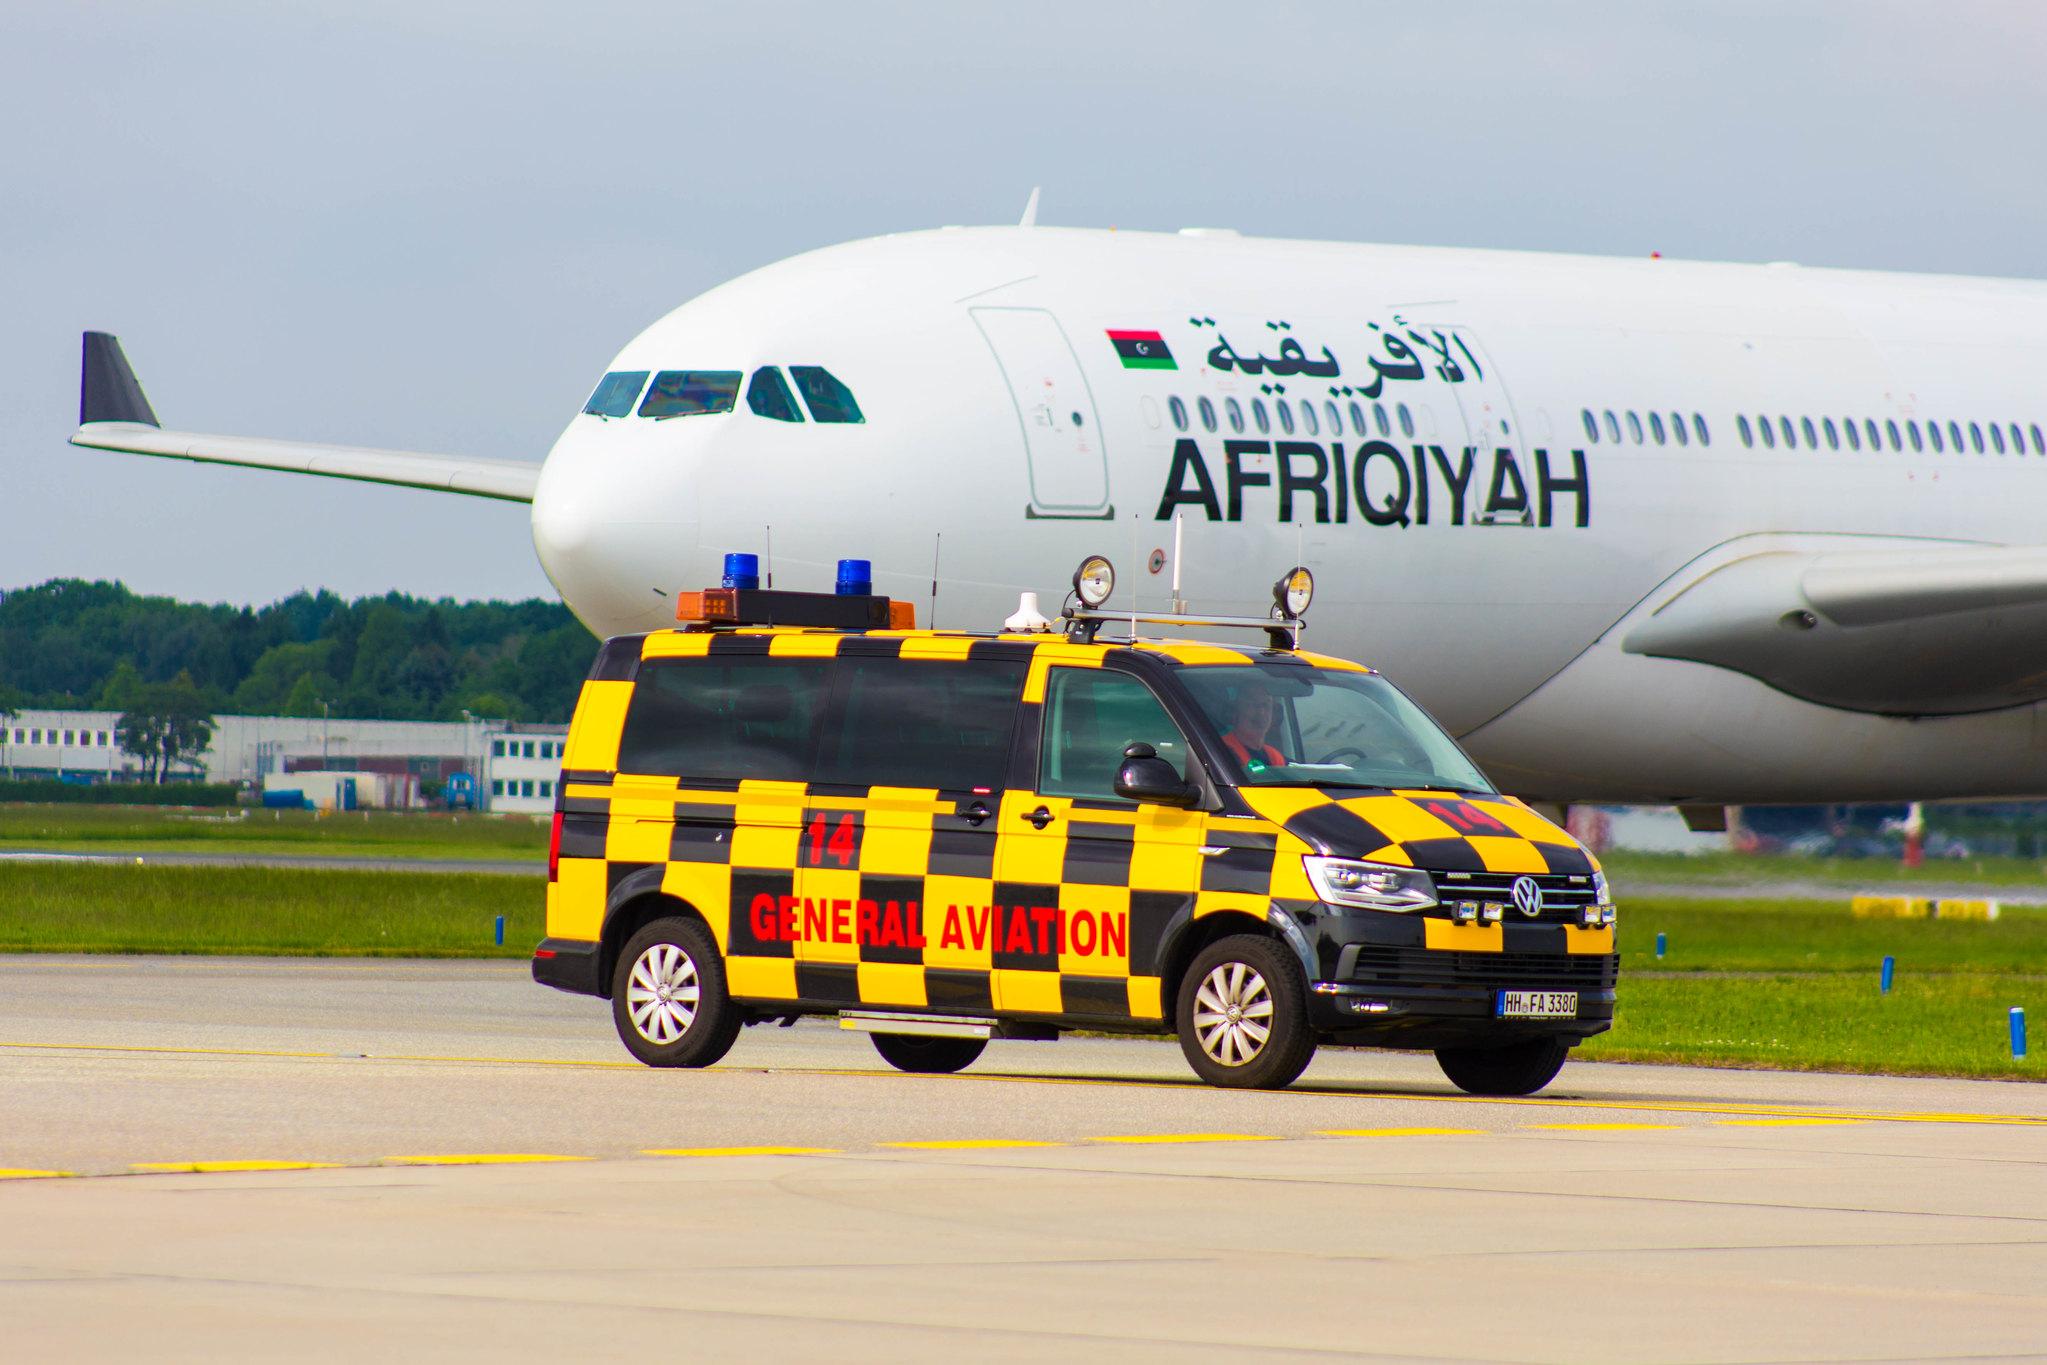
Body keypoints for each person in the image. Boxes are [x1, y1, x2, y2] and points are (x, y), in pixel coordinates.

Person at [1221, 682, 1287, 771]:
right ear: (1235, 712)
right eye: (1253, 704)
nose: (1261, 712)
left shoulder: (1275, 757)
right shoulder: (1221, 749)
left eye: (1266, 705)